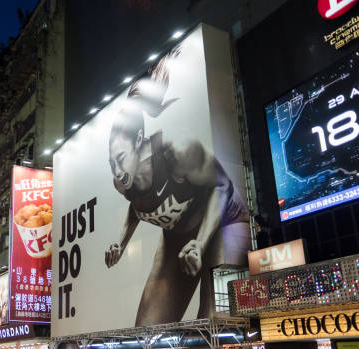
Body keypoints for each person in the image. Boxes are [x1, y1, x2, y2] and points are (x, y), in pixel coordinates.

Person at [104, 47, 250, 326]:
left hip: (223, 221)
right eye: (112, 163)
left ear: (138, 141)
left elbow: (221, 187)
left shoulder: (178, 150)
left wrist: (200, 243)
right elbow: (138, 208)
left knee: (214, 321)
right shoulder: (123, 182)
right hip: (178, 237)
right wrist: (121, 244)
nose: (118, 171)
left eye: (120, 159)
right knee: (146, 328)